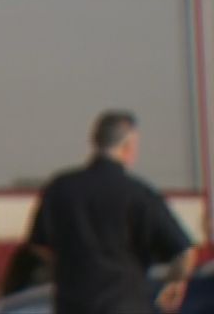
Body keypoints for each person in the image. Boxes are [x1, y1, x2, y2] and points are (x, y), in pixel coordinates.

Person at [25, 109, 195, 314]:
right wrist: (175, 282)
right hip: (126, 304)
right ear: (128, 147)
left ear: (95, 142)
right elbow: (184, 252)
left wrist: (68, 265)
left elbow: (38, 244)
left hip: (73, 305)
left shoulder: (60, 188)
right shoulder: (138, 194)